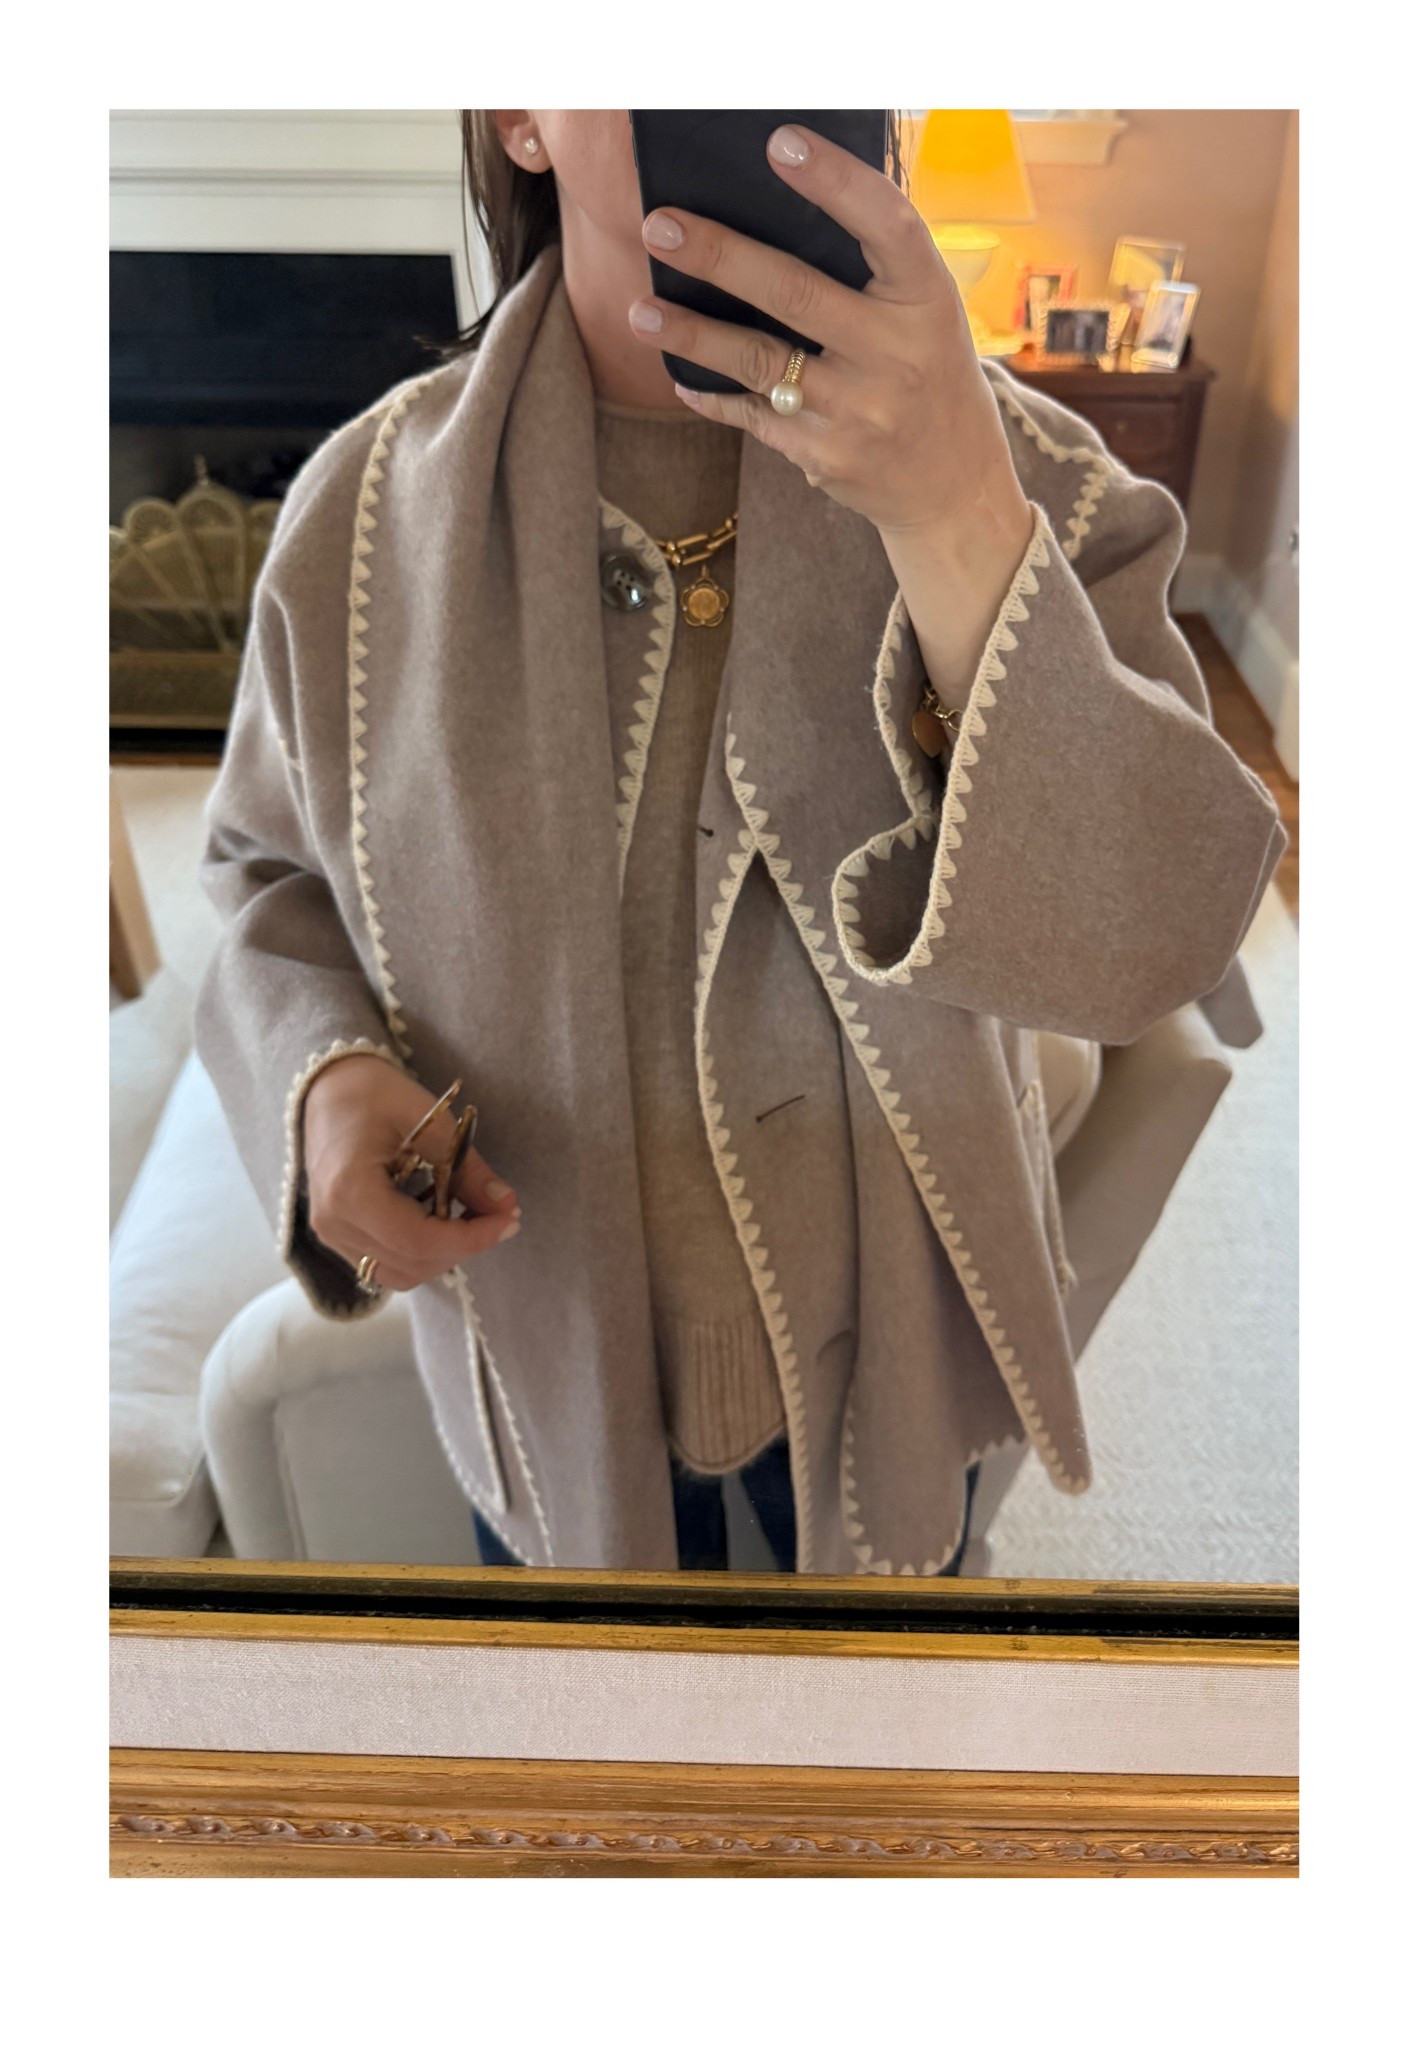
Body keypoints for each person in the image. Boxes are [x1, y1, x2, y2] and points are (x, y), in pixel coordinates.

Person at [195, 111, 1286, 1576]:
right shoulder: (358, 528)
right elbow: (265, 877)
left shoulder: (1042, 483)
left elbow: (1160, 934)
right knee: (605, 1718)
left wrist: (960, 519)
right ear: (520, 112)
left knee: (891, 1706)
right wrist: (325, 1081)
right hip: (544, 1362)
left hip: (904, 1373)